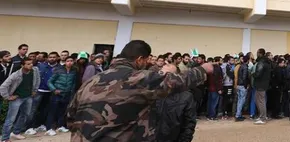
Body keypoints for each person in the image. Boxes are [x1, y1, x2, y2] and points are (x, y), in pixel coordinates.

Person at [66, 40, 212, 141]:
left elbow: (71, 115)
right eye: (146, 60)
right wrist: (202, 70)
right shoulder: (136, 78)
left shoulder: (92, 81)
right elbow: (176, 82)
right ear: (140, 59)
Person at [0, 58, 40, 142]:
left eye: (31, 63)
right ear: (22, 65)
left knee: (25, 115)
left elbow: (37, 80)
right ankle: (5, 138)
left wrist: (34, 90)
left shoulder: (35, 70)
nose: (31, 65)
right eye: (28, 64)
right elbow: (3, 86)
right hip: (17, 98)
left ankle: (16, 132)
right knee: (10, 119)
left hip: (28, 97)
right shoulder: (16, 75)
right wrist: (7, 97)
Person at [154, 64, 196, 142]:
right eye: (161, 72)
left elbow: (189, 123)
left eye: (167, 74)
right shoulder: (153, 92)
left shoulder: (186, 96)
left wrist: (185, 139)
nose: (163, 76)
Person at [44, 57, 76, 136]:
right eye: (68, 61)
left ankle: (60, 126)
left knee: (63, 111)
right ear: (65, 62)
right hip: (57, 94)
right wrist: (54, 90)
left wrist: (71, 92)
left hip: (67, 94)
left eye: (71, 61)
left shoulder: (74, 71)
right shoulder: (58, 70)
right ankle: (49, 128)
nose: (69, 63)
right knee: (52, 111)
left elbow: (73, 83)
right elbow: (50, 82)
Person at [253, 48, 271, 125]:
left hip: (260, 84)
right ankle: (261, 116)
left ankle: (263, 117)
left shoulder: (261, 62)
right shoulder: (267, 62)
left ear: (260, 53)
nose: (256, 54)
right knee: (258, 100)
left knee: (260, 101)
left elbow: (258, 74)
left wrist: (252, 74)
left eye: (257, 52)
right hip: (264, 83)